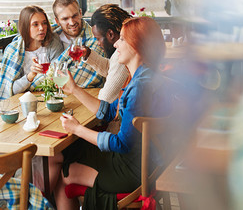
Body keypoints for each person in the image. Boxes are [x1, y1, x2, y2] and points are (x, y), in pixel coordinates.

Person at [48, 17, 175, 209]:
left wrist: (78, 129)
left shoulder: (139, 88)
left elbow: (121, 144)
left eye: (122, 39)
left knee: (64, 173)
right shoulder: (145, 77)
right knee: (70, 152)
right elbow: (109, 112)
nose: (115, 43)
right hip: (149, 164)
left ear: (136, 45)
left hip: (133, 171)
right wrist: (74, 89)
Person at [30, 0, 105, 90]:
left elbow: (79, 79)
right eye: (65, 19)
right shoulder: (48, 37)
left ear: (80, 13)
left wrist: (33, 82)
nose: (72, 22)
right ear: (57, 21)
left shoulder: (95, 40)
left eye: (75, 16)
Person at [0, 5, 63, 101]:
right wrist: (31, 75)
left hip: (50, 98)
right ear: (26, 27)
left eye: (44, 23)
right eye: (35, 24)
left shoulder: (53, 43)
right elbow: (11, 91)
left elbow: (56, 78)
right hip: (23, 102)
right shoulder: (14, 51)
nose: (41, 28)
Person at [82, 4, 131, 102]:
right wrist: (88, 54)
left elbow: (105, 100)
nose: (98, 43)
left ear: (110, 34)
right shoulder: (128, 45)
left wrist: (75, 89)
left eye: (98, 38)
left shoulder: (121, 55)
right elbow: (112, 69)